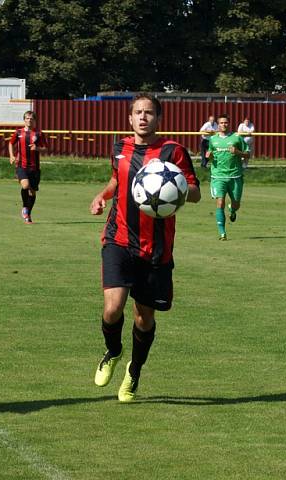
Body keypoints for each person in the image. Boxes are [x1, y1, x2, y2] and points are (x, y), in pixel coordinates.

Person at [89, 93, 201, 402]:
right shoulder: (120, 148)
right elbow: (116, 179)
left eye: (149, 112)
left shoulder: (173, 152)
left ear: (159, 119)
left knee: (144, 318)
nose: (143, 117)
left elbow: (195, 193)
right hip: (118, 239)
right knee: (112, 308)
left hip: (156, 250)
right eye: (137, 112)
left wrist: (175, 188)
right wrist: (103, 196)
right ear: (129, 118)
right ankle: (112, 350)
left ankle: (134, 371)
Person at [207, 113, 249, 240]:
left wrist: (238, 152)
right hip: (218, 176)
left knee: (236, 203)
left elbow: (247, 155)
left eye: (225, 123)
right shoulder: (213, 139)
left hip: (235, 176)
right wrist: (209, 156)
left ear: (228, 124)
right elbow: (211, 154)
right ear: (217, 125)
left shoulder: (237, 138)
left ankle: (232, 209)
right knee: (220, 202)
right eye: (221, 123)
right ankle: (222, 233)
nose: (223, 125)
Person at [8, 110, 48, 224]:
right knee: (25, 185)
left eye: (31, 118)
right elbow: (11, 143)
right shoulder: (18, 132)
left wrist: (37, 148)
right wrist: (11, 156)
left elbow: (46, 148)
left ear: (35, 120)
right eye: (27, 118)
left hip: (35, 168)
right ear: (24, 120)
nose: (29, 120)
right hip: (21, 165)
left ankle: (28, 214)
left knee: (33, 192)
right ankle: (25, 207)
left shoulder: (39, 134)